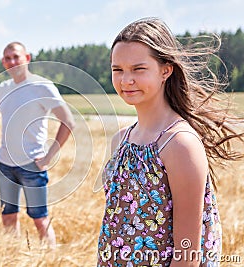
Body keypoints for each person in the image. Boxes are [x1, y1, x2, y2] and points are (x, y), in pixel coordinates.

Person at [97, 18, 244, 266]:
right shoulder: (120, 141)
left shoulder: (179, 144)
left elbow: (188, 253)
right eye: (117, 69)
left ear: (166, 70)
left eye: (138, 69)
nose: (126, 80)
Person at [0, 42, 75, 248]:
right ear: (3, 62)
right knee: (8, 218)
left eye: (16, 56)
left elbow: (68, 122)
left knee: (40, 220)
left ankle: (51, 261)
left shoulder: (42, 86)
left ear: (27, 58)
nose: (12, 62)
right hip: (6, 166)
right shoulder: (3, 88)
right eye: (7, 58)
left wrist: (48, 157)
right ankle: (13, 258)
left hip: (32, 166)